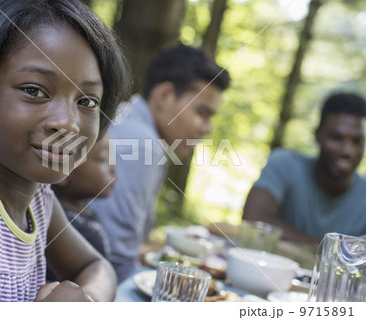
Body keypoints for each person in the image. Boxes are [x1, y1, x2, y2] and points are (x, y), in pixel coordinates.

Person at [0, 0, 131, 302]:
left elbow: (97, 267)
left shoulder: (39, 199)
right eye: (34, 90)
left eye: (87, 102)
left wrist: (87, 301)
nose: (67, 123)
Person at [90, 44, 230, 282]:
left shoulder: (125, 117)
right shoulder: (144, 144)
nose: (207, 129)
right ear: (164, 96)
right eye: (202, 113)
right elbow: (116, 260)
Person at [243, 93, 366, 245]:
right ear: (317, 135)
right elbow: (253, 220)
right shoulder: (285, 164)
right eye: (336, 138)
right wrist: (329, 249)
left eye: (357, 141)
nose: (347, 151)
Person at [51, 133, 114, 259]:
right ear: (63, 170)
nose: (113, 167)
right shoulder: (66, 229)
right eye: (102, 158)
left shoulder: (85, 213)